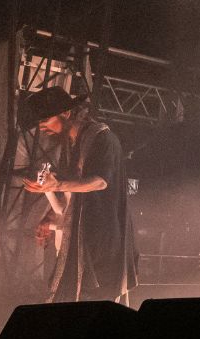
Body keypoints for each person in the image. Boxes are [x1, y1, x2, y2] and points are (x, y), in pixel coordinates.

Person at [19, 86, 137, 303]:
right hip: (83, 236)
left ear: (66, 113)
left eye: (45, 119)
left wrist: (58, 185)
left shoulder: (103, 138)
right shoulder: (74, 144)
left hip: (102, 238)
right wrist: (49, 218)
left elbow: (100, 182)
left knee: (95, 300)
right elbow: (74, 197)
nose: (41, 126)